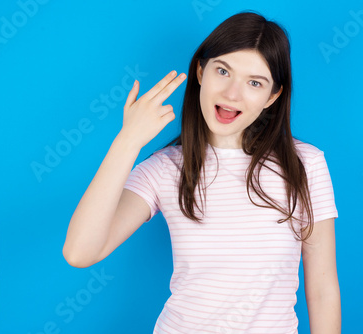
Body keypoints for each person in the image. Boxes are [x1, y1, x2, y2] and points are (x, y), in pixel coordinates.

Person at [63, 11, 340, 334]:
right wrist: (127, 142)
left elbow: (322, 289)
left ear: (273, 96)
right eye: (223, 71)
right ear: (200, 71)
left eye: (254, 83)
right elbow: (80, 251)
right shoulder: (164, 168)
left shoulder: (305, 164)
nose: (232, 94)